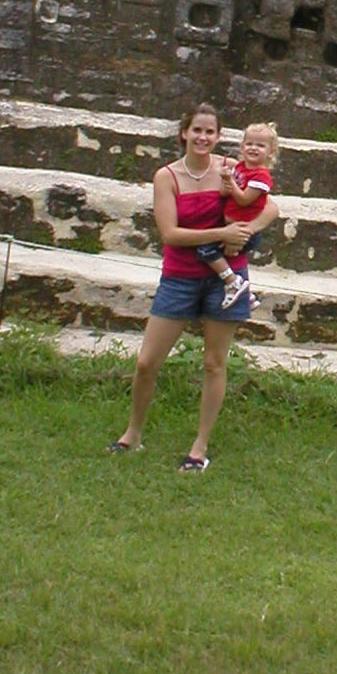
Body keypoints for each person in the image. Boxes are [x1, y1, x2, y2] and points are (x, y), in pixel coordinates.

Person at [107, 101, 278, 472]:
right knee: (146, 361)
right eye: (197, 130)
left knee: (214, 363)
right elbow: (170, 234)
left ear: (218, 137)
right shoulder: (166, 176)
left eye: (210, 132)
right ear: (184, 132)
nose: (203, 137)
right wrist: (223, 232)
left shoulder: (230, 169)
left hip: (225, 277)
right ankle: (133, 433)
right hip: (180, 276)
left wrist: (247, 233)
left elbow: (271, 207)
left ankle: (199, 447)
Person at [193, 120, 279, 310]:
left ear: (271, 152)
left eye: (260, 145)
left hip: (242, 231)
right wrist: (226, 185)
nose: (253, 148)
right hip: (229, 226)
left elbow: (243, 200)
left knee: (205, 251)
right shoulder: (240, 167)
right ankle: (246, 297)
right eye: (249, 144)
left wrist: (228, 179)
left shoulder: (261, 176)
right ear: (242, 146)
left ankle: (234, 283)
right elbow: (226, 194)